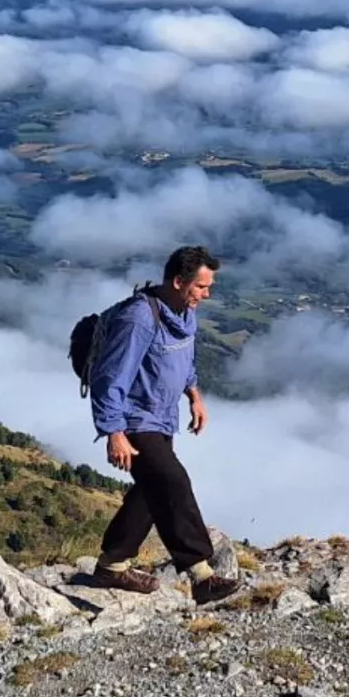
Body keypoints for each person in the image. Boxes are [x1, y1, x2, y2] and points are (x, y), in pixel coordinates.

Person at [88, 245, 240, 605]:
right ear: (178, 281)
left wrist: (194, 395)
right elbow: (110, 379)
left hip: (163, 416)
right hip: (135, 419)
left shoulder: (184, 313)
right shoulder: (139, 319)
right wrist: (114, 432)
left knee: (150, 490)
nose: (206, 294)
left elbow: (184, 358)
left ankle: (111, 565)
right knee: (172, 481)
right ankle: (201, 574)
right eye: (201, 287)